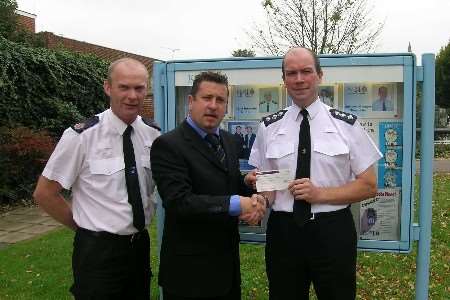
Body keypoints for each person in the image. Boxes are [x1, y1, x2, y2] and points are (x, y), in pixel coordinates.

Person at [248, 47, 382, 299]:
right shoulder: (269, 127)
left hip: (332, 231)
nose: (299, 79)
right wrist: (262, 198)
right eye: (292, 73)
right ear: (284, 80)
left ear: (320, 75)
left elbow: (368, 185)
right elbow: (271, 181)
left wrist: (319, 194)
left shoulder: (347, 124)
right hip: (284, 233)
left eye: (306, 71)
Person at [33, 58, 160, 299]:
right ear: (108, 87)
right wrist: (82, 228)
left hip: (138, 248)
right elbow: (44, 193)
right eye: (124, 87)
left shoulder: (152, 133)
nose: (132, 96)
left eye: (139, 88)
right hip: (97, 252)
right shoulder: (81, 136)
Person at [150, 71, 266, 300]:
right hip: (189, 276)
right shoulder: (168, 145)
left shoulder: (228, 141)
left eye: (220, 100)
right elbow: (178, 201)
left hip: (227, 268)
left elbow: (225, 185)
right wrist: (237, 203)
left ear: (226, 106)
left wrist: (246, 186)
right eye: (207, 98)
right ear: (191, 101)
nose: (213, 106)